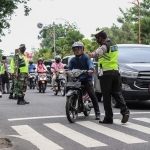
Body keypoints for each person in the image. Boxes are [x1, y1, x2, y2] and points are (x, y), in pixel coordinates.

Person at [88, 30, 130, 124]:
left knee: (106, 96)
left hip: (106, 74)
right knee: (117, 93)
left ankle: (108, 117)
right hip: (115, 72)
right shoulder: (114, 45)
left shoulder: (105, 45)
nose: (97, 40)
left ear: (101, 38)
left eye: (97, 38)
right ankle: (125, 111)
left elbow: (100, 51)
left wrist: (92, 54)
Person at [68, 42, 100, 120]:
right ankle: (71, 105)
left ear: (82, 50)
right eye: (75, 49)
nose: (76, 51)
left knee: (92, 94)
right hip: (77, 79)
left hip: (86, 79)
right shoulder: (72, 60)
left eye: (78, 49)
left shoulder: (87, 58)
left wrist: (91, 69)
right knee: (68, 88)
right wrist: (66, 71)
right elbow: (69, 69)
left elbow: (90, 65)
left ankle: (97, 112)